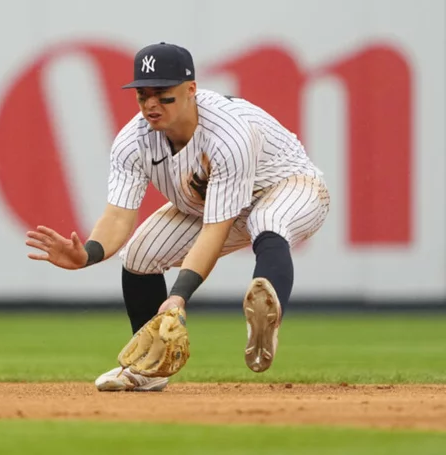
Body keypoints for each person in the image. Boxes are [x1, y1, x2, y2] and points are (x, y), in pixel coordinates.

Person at [25, 42, 330, 392]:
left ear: (191, 90)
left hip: (291, 187)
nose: (151, 105)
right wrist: (89, 253)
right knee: (139, 255)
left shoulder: (228, 134)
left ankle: (267, 316)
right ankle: (148, 369)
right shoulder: (132, 140)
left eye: (163, 94)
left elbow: (217, 230)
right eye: (143, 95)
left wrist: (179, 295)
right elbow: (118, 215)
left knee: (268, 221)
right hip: (206, 205)